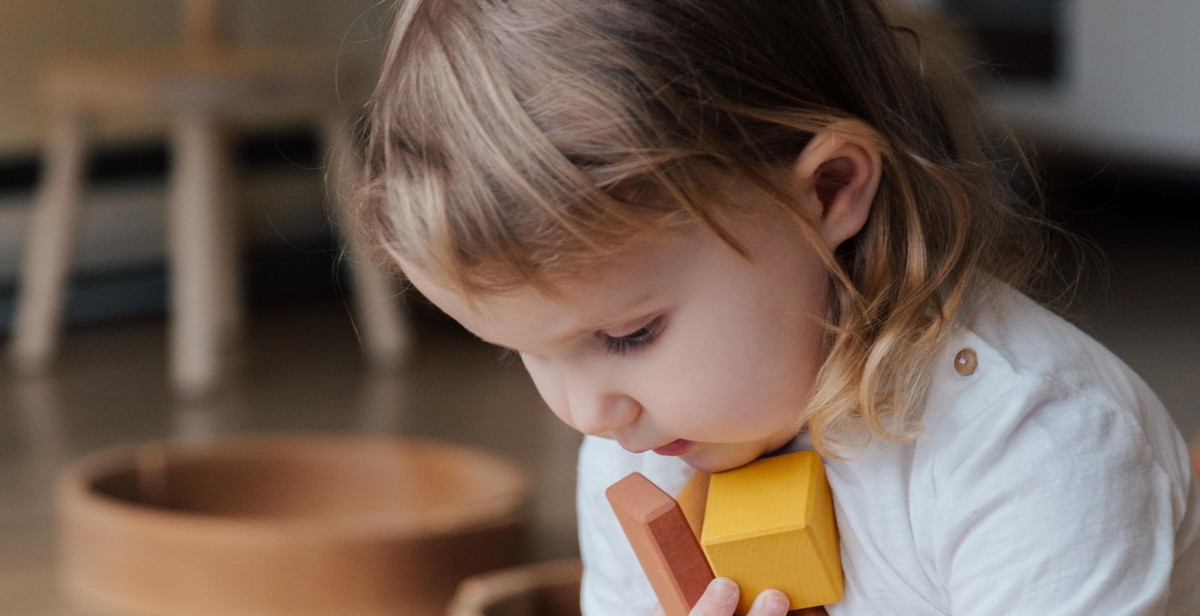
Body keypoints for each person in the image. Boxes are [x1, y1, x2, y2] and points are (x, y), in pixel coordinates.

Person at [352, 0, 1200, 614]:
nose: (584, 411)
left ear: (830, 191)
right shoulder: (639, 449)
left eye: (627, 333)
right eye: (528, 350)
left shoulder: (1039, 456)